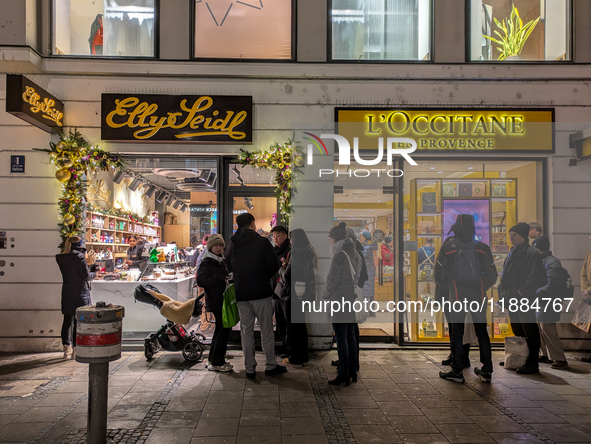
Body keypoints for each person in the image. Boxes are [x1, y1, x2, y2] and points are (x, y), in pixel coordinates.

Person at [437, 215, 498, 384]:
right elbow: (492, 275)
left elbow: (441, 275)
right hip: (478, 296)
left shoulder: (449, 248)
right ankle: (487, 370)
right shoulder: (482, 248)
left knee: (457, 334)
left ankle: (457, 371)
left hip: (456, 296)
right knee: (482, 333)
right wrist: (480, 286)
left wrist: (449, 287)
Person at [226, 213, 284, 378]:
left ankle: (250, 367)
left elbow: (229, 265)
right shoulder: (261, 241)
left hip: (242, 293)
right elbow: (273, 264)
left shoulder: (232, 242)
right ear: (252, 223)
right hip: (261, 292)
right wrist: (262, 277)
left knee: (246, 331)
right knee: (266, 331)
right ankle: (271, 365)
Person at [499, 222, 546, 375]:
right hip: (512, 298)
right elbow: (506, 275)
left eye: (515, 235)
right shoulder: (513, 251)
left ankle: (532, 363)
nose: (511, 238)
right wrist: (503, 293)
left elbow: (536, 278)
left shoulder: (530, 253)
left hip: (524, 298)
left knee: (529, 330)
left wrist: (520, 293)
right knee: (518, 330)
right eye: (510, 234)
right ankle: (517, 357)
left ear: (523, 237)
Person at [323, 222, 361, 386]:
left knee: (341, 337)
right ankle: (352, 369)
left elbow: (331, 281)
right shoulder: (355, 254)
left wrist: (324, 296)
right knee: (350, 336)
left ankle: (343, 371)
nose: (329, 241)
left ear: (336, 239)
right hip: (350, 300)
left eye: (330, 238)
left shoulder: (339, 256)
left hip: (339, 300)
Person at [55, 236, 96, 359]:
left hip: (67, 291)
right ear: (79, 244)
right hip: (79, 292)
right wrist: (94, 271)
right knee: (78, 321)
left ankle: (66, 347)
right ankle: (75, 349)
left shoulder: (61, 257)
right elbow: (85, 276)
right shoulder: (79, 257)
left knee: (67, 320)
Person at [532, 236, 569, 369]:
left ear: (539, 249)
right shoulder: (543, 260)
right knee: (542, 328)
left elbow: (552, 284)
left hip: (550, 301)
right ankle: (546, 355)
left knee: (548, 328)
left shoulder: (551, 262)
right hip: (543, 300)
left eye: (535, 248)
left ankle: (560, 359)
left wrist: (535, 292)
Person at [197, 234, 232, 372]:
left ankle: (214, 359)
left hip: (220, 298)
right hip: (216, 299)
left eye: (221, 245)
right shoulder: (207, 261)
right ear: (210, 246)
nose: (219, 248)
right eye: (216, 245)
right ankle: (217, 362)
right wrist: (219, 278)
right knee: (223, 329)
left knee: (220, 329)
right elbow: (201, 281)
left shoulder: (220, 260)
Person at [283, 228, 317, 365]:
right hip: (303, 294)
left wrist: (283, 268)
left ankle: (296, 357)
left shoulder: (296, 254)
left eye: (291, 239)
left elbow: (290, 274)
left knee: (293, 327)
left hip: (295, 295)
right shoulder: (308, 253)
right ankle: (302, 355)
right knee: (300, 326)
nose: (290, 241)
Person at [271, 225, 291, 358]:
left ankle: (289, 347)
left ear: (285, 236)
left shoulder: (288, 251)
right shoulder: (272, 251)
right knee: (279, 321)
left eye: (278, 235)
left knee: (286, 320)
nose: (275, 238)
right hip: (275, 290)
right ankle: (283, 344)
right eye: (273, 236)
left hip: (285, 292)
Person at [361, 231, 378, 315]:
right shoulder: (370, 246)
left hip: (366, 271)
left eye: (361, 236)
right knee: (370, 292)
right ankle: (372, 311)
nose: (360, 238)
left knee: (366, 292)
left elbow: (361, 257)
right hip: (370, 271)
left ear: (365, 237)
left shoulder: (366, 247)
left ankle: (366, 311)